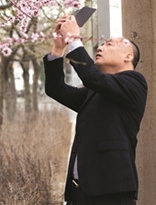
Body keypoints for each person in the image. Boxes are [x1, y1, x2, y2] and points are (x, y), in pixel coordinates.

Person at [43, 15, 147, 205]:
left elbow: (92, 77)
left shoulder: (135, 82)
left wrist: (74, 39)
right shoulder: (95, 90)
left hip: (111, 192)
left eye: (109, 44)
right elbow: (56, 90)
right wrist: (58, 49)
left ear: (128, 56)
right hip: (80, 192)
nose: (100, 47)